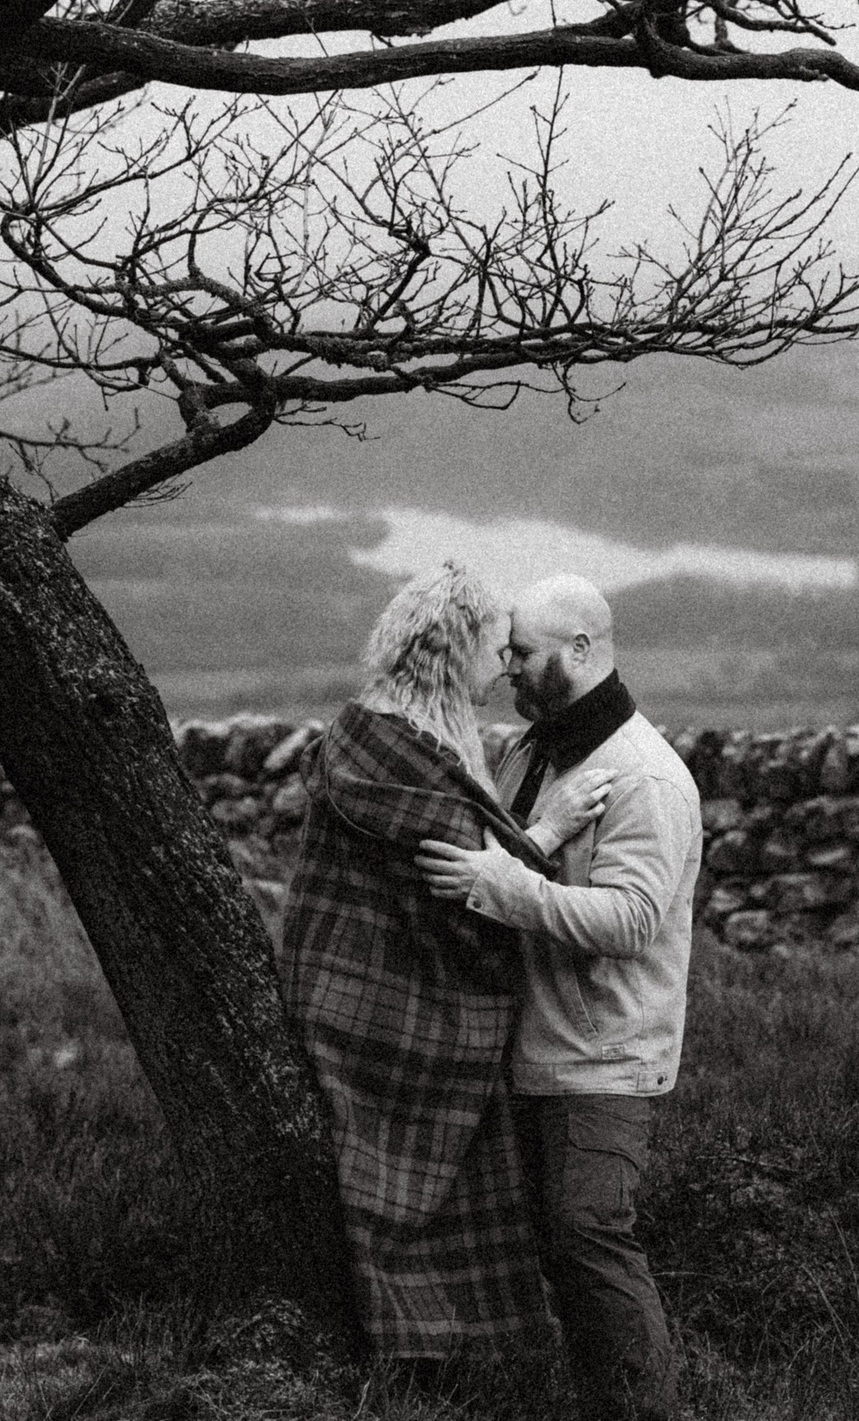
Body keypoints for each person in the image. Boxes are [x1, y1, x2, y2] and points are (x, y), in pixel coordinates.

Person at [278, 562, 612, 1380]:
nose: (505, 670)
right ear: (454, 649)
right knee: (418, 1174)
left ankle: (443, 1358)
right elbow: (471, 880)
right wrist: (554, 826)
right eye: (496, 651)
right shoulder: (406, 753)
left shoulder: (371, 729)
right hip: (382, 1004)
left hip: (341, 988)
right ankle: (437, 1350)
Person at [414, 573, 702, 1421]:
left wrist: (506, 887)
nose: (507, 668)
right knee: (552, 1245)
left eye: (524, 653)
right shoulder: (529, 754)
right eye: (506, 652)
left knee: (588, 1235)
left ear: (581, 650)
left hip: (603, 1057)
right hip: (534, 1049)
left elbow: (633, 919)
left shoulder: (644, 777)